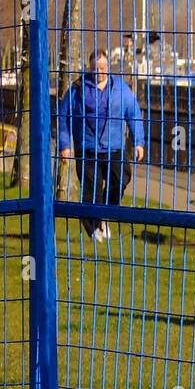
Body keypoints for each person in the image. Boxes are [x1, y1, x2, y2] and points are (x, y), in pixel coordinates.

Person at [56, 48, 146, 243]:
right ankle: (93, 228)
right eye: (96, 68)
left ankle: (105, 214)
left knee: (121, 179)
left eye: (103, 68)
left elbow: (134, 114)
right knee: (90, 191)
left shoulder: (121, 89)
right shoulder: (77, 89)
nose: (100, 72)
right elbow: (64, 117)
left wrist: (138, 142)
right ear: (90, 68)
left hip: (114, 148)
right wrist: (65, 144)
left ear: (108, 67)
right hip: (86, 148)